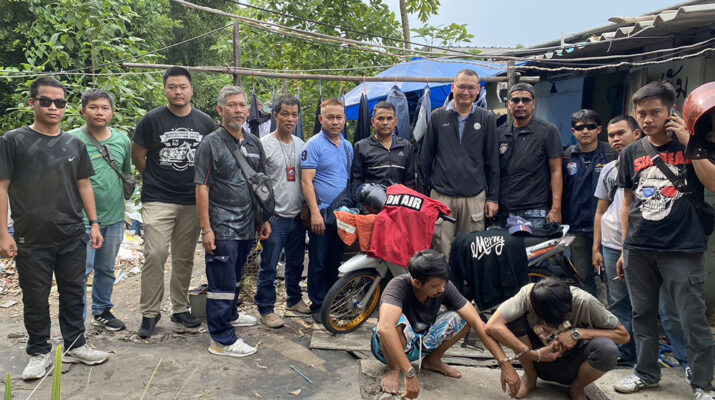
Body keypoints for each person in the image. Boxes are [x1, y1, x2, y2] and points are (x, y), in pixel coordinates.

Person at [0, 77, 110, 380]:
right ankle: (39, 352)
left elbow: (84, 184)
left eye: (59, 102)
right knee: (35, 298)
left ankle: (76, 345)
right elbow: (2, 186)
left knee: (74, 292)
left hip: (72, 234)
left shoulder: (74, 143)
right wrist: (3, 232)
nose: (53, 107)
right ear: (32, 102)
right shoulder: (13, 141)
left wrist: (94, 223)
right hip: (31, 237)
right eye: (46, 101)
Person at [613, 81, 713, 400]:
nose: (647, 120)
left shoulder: (694, 146)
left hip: (682, 248)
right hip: (639, 247)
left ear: (671, 111)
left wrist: (689, 143)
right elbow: (628, 203)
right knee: (642, 314)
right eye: (641, 113)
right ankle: (646, 373)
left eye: (655, 112)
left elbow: (712, 183)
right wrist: (624, 248)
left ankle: (702, 383)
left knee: (692, 318)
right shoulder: (631, 152)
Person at [592, 116, 690, 372]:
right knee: (620, 304)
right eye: (611, 135)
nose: (615, 139)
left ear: (637, 134)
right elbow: (601, 211)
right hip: (613, 244)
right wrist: (596, 247)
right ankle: (629, 355)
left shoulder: (657, 162)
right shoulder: (609, 169)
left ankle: (687, 362)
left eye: (621, 133)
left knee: (667, 309)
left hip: (647, 244)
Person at [131, 66, 216, 338]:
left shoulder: (205, 122)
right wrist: (153, 177)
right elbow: (138, 155)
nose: (178, 92)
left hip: (192, 200)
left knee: (184, 257)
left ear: (191, 90)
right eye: (172, 87)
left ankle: (180, 309)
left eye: (182, 87)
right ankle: (149, 313)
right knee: (155, 254)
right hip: (158, 198)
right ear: (165, 89)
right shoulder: (151, 120)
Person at [372, 250, 519, 399]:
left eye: (444, 283)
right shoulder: (398, 286)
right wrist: (409, 374)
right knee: (393, 321)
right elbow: (384, 329)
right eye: (435, 286)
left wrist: (505, 363)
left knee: (466, 317)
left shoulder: (444, 286)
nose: (442, 289)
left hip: (421, 342)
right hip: (388, 350)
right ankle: (394, 369)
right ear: (416, 282)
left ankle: (432, 360)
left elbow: (476, 321)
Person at [194, 86, 268, 357]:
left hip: (248, 224)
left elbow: (261, 183)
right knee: (221, 284)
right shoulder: (210, 144)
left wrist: (263, 219)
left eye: (242, 105)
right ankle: (222, 339)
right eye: (232, 105)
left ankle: (231, 315)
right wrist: (206, 229)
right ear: (220, 110)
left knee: (235, 277)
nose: (238, 110)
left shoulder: (253, 143)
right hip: (222, 225)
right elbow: (202, 187)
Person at [486, 279, 628, 400]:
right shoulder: (527, 295)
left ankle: (577, 388)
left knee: (607, 348)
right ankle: (530, 376)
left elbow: (623, 336)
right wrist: (533, 354)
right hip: (537, 361)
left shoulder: (584, 301)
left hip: (573, 364)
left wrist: (578, 333)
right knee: (513, 321)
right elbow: (492, 326)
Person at [418, 69, 499, 260]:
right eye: (462, 86)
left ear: (478, 90)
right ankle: (443, 282)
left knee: (472, 253)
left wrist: (493, 198)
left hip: (474, 197)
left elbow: (492, 161)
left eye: (471, 87)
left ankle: (468, 282)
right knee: (441, 251)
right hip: (441, 196)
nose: (466, 92)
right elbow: (425, 159)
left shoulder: (486, 118)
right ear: (453, 87)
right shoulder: (437, 116)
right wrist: (423, 197)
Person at [68, 89, 131, 331]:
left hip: (113, 218)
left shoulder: (122, 140)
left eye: (105, 108)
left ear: (112, 112)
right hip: (81, 219)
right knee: (80, 271)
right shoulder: (71, 139)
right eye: (93, 107)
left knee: (106, 268)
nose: (99, 112)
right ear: (83, 111)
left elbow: (125, 173)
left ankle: (102, 310)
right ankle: (76, 321)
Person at [254, 95, 310, 328]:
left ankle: (294, 300)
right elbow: (257, 184)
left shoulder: (301, 144)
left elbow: (306, 180)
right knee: (269, 264)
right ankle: (266, 308)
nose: (290, 119)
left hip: (297, 215)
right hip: (274, 217)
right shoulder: (263, 144)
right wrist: (263, 217)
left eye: (294, 114)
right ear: (275, 116)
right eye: (285, 114)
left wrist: (305, 206)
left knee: (296, 262)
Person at [301, 98, 353, 324]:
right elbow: (306, 181)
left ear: (344, 119)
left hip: (342, 215)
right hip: (321, 213)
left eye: (339, 117)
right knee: (319, 261)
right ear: (321, 119)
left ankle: (332, 303)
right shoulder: (313, 145)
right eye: (330, 117)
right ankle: (318, 305)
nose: (335, 122)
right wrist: (314, 213)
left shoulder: (348, 146)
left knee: (335, 261)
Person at [562, 109, 617, 296]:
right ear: (573, 132)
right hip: (577, 227)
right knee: (582, 278)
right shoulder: (567, 156)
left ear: (599, 129)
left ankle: (613, 314)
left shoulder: (611, 155)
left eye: (591, 127)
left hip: (606, 228)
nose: (585, 131)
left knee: (611, 278)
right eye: (580, 128)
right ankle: (588, 312)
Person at [497, 83, 563, 228]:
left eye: (525, 100)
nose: (520, 104)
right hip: (503, 211)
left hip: (534, 212)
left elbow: (556, 170)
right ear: (509, 104)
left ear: (533, 104)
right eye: (515, 100)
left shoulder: (547, 131)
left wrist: (556, 208)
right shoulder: (500, 132)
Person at [351, 101, 415, 196]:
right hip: (371, 202)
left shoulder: (406, 146)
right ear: (373, 122)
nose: (385, 123)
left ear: (395, 122)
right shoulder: (361, 147)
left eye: (389, 119)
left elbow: (410, 182)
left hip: (399, 202)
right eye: (380, 119)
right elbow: (356, 181)